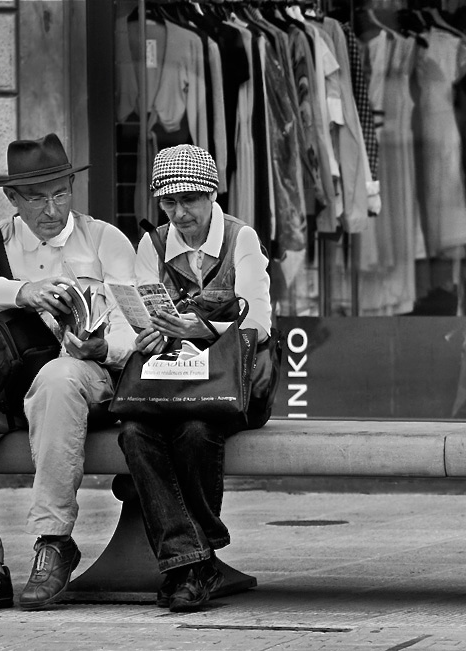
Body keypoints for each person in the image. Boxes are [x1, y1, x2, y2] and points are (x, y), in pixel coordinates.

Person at [0, 133, 137, 612]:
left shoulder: (105, 238)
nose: (52, 208)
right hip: (7, 382)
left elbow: (134, 327)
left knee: (60, 377)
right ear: (13, 199)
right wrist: (21, 291)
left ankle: (53, 541)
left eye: (61, 193)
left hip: (83, 378)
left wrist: (103, 345)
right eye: (37, 198)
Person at [117, 144, 274, 612]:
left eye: (189, 200)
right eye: (168, 203)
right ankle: (195, 564)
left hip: (236, 385)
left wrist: (203, 328)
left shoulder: (240, 238)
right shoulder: (153, 242)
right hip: (171, 382)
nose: (179, 213)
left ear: (211, 194)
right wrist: (146, 334)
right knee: (135, 433)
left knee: (196, 430)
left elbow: (260, 321)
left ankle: (187, 563)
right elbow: (143, 313)